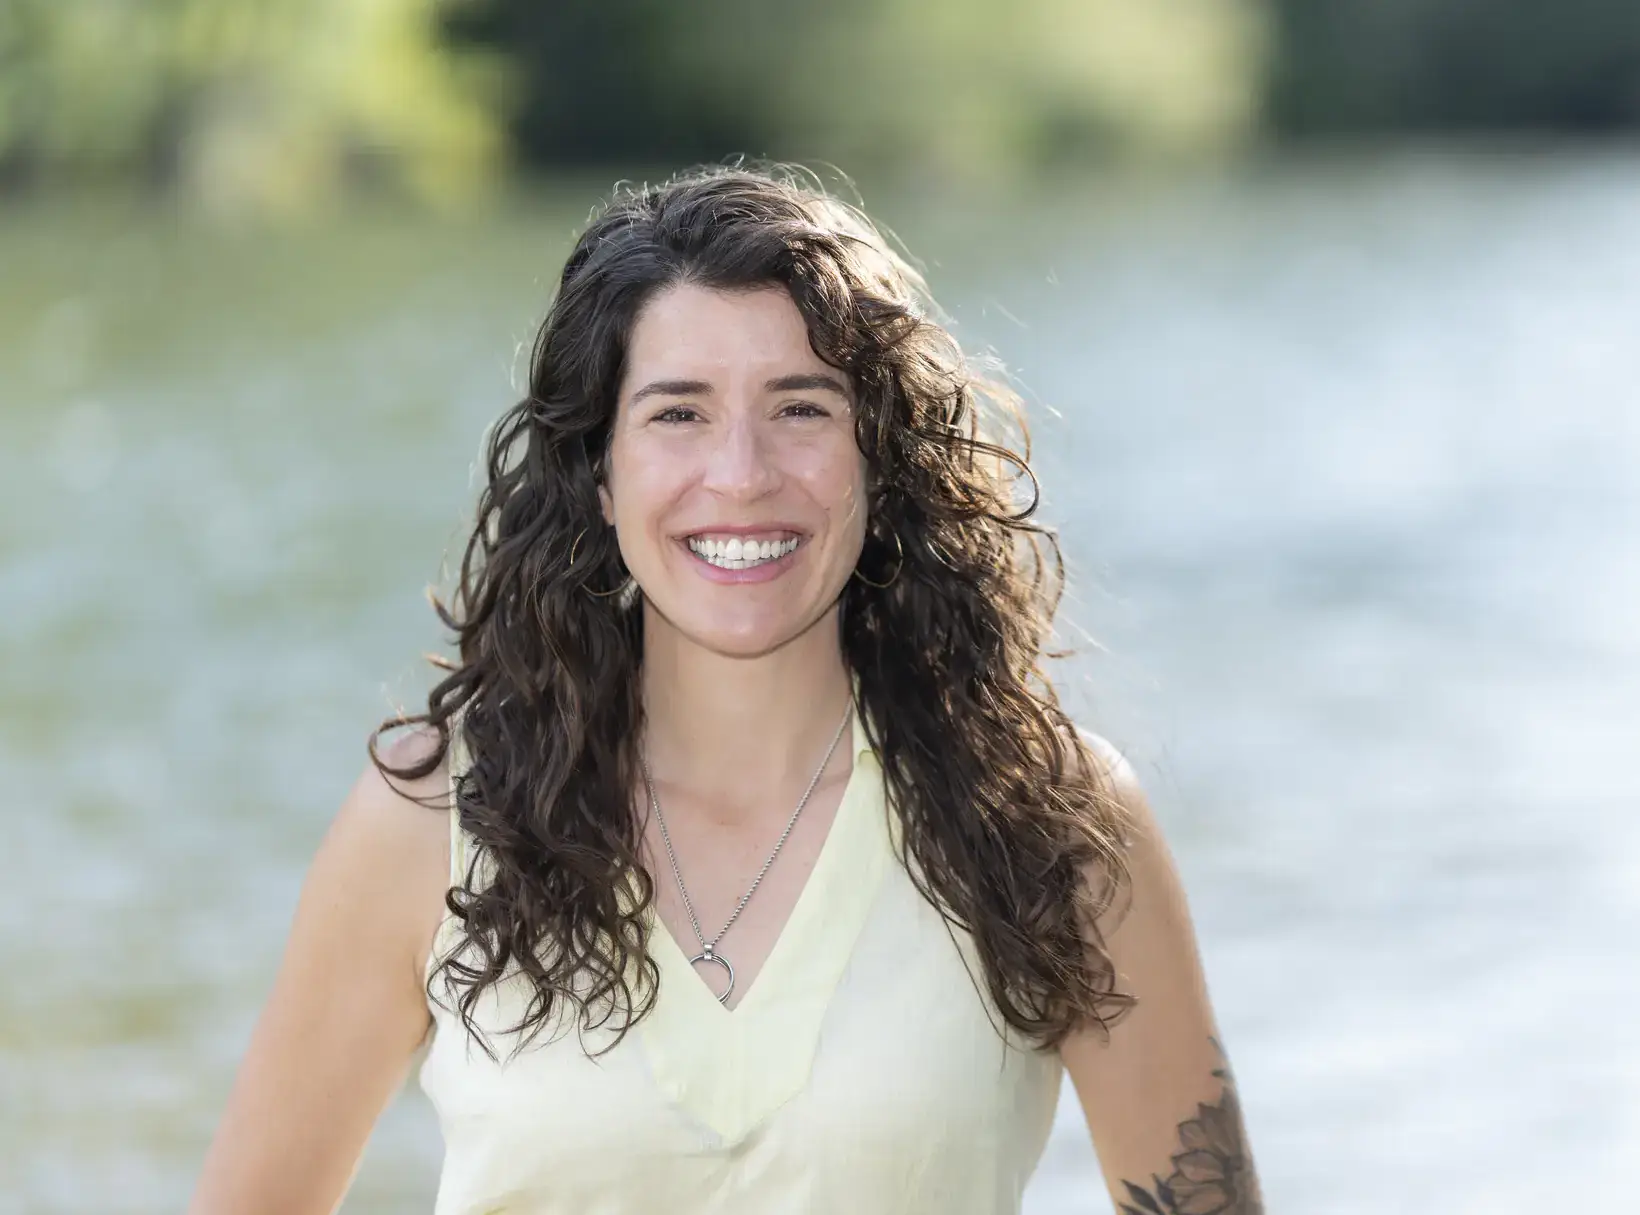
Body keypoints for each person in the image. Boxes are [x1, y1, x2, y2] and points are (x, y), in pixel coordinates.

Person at [187, 163, 1262, 1214]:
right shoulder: (432, 818)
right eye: (678, 414)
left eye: (800, 408)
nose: (742, 473)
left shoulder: (1048, 821)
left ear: (879, 459)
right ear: (598, 476)